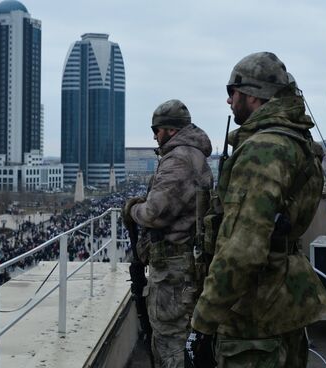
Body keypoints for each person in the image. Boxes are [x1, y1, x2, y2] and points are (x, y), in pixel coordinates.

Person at [185, 52, 326, 367]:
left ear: (252, 95)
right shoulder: (297, 140)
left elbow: (243, 248)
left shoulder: (263, 150)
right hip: (284, 303)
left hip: (252, 314)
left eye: (232, 92)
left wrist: (202, 322)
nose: (229, 101)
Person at [123, 99, 213, 367]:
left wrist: (132, 210)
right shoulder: (193, 155)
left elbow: (153, 213)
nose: (154, 135)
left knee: (171, 343)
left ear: (171, 130)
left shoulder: (178, 159)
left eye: (157, 129)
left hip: (174, 271)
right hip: (183, 264)